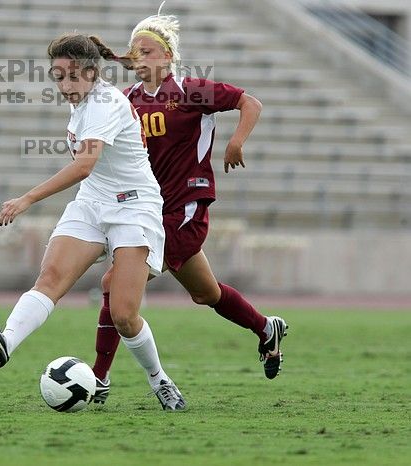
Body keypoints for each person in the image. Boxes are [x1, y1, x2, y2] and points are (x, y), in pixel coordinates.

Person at [0, 33, 186, 410]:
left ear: (91, 73)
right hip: (93, 203)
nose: (64, 86)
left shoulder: (104, 102)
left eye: (72, 77)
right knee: (51, 279)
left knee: (123, 315)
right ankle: (5, 342)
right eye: (58, 77)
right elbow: (92, 174)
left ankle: (159, 379)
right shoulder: (82, 102)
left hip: (134, 208)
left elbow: (84, 165)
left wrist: (28, 198)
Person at [88, 11, 288, 403]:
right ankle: (267, 329)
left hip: (185, 209)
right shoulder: (126, 101)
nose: (140, 57)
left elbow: (251, 103)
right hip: (147, 211)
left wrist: (235, 142)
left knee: (114, 283)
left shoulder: (190, 91)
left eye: (148, 50)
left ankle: (99, 377)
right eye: (136, 52)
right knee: (206, 294)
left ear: (167, 57)